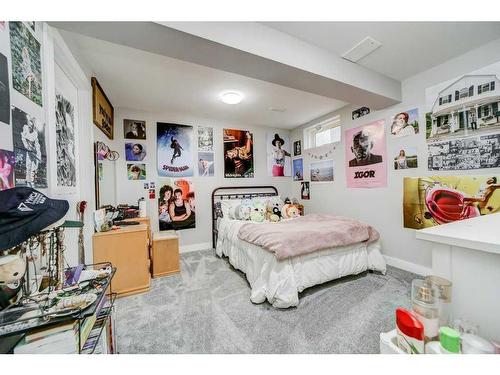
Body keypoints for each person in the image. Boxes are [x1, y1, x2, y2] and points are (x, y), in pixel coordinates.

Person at [21, 118, 41, 186]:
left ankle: (33, 182)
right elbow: (23, 138)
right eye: (29, 126)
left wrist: (37, 154)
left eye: (31, 126)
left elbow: (37, 145)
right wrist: (26, 146)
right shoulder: (25, 128)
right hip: (29, 150)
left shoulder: (35, 133)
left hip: (35, 151)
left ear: (33, 127)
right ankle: (28, 182)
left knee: (34, 168)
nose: (30, 127)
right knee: (28, 166)